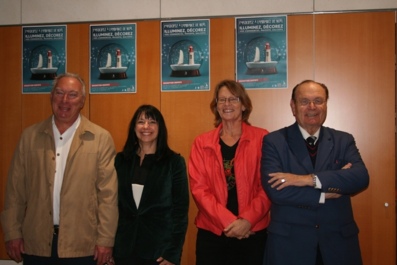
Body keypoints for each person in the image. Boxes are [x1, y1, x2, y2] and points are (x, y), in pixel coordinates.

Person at [0, 72, 118, 265]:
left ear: (82, 101)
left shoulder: (99, 139)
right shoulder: (29, 137)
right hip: (36, 243)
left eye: (72, 94)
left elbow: (108, 196)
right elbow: (15, 191)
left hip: (82, 246)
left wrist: (105, 240)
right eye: (59, 93)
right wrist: (12, 233)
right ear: (51, 96)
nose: (65, 100)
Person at [261, 80, 369, 265]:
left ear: (326, 104)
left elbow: (360, 178)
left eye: (318, 100)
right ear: (293, 106)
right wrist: (324, 193)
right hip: (290, 246)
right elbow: (276, 190)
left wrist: (308, 180)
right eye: (304, 101)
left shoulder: (343, 140)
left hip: (338, 245)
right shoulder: (274, 141)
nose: (312, 107)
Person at [188, 79, 271, 265]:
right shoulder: (202, 143)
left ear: (243, 105)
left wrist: (246, 221)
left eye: (233, 99)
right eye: (222, 100)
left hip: (252, 232)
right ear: (216, 106)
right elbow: (199, 190)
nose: (227, 104)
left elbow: (267, 186)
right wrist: (229, 222)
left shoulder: (262, 138)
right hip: (213, 234)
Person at [113, 104, 189, 265]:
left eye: (152, 122)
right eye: (141, 122)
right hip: (123, 249)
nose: (146, 126)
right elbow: (111, 205)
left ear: (160, 128)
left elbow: (180, 212)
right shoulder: (120, 161)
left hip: (159, 252)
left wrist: (173, 253)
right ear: (134, 128)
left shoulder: (174, 163)